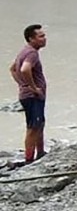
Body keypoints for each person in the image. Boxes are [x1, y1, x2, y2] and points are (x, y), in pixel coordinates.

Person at [9, 24, 48, 164]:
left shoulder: (24, 51)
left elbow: (13, 69)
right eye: (41, 36)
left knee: (39, 124)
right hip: (32, 97)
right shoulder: (32, 53)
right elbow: (25, 69)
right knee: (33, 127)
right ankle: (29, 160)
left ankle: (41, 153)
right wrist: (33, 88)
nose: (44, 38)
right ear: (31, 39)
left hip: (30, 95)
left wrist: (22, 84)